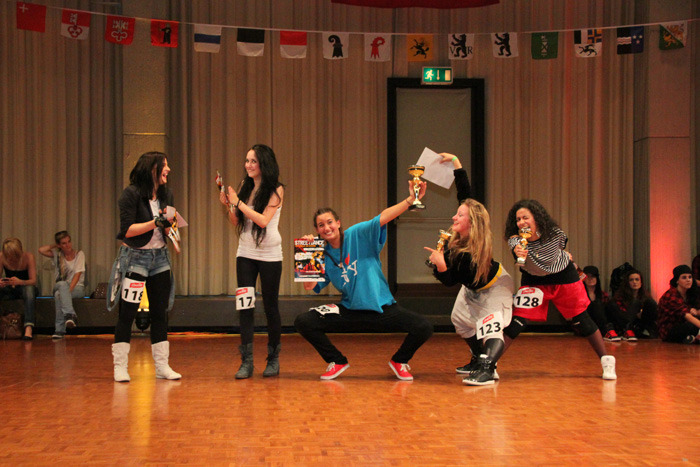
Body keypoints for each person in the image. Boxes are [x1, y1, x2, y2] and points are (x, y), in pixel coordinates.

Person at [294, 181, 433, 381]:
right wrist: (307, 252)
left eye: (330, 222)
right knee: (303, 321)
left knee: (424, 327)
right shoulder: (321, 255)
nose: (327, 228)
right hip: (350, 311)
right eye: (321, 225)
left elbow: (383, 217)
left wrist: (410, 200)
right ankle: (337, 361)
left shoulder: (357, 234)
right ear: (317, 230)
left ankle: (399, 361)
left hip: (382, 309)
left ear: (338, 223)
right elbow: (309, 286)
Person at [424, 153, 513, 386]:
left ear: (472, 222)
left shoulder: (472, 252)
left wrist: (441, 266)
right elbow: (465, 194)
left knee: (490, 327)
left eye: (460, 215)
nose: (454, 216)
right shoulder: (461, 238)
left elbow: (450, 280)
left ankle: (488, 369)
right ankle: (478, 359)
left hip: (495, 286)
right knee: (460, 321)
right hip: (472, 286)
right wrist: (455, 162)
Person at [502, 200, 617, 380]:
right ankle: (489, 364)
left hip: (563, 277)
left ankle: (607, 361)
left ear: (536, 218)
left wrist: (531, 247)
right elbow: (519, 253)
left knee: (581, 320)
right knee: (517, 321)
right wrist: (519, 251)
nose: (521, 222)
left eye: (525, 217)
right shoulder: (515, 239)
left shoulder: (555, 234)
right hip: (534, 280)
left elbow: (548, 260)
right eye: (518, 219)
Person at [108, 151, 181, 382]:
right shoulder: (130, 194)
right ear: (153, 169)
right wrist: (155, 222)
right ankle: (120, 366)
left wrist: (173, 232)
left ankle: (162, 366)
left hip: (160, 259)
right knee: (127, 313)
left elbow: (169, 226)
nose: (168, 169)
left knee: (160, 313)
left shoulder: (167, 194)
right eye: (164, 165)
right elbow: (127, 231)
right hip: (135, 258)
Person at [218, 144, 285, 379]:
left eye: (253, 161)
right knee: (245, 306)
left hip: (270, 255)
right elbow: (237, 221)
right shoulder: (244, 187)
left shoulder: (276, 189)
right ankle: (246, 362)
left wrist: (238, 203)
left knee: (270, 306)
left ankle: (273, 358)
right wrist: (229, 204)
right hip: (245, 253)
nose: (248, 165)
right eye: (247, 161)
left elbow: (263, 221)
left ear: (264, 164)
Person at [39, 231, 86, 339]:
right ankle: (70, 315)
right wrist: (54, 245)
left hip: (77, 287)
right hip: (60, 285)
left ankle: (59, 331)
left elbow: (77, 275)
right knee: (62, 284)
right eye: (64, 243)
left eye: (69, 241)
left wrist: (66, 293)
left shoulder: (79, 254)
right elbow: (41, 250)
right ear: (59, 245)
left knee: (58, 295)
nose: (68, 245)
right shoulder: (57, 255)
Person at [604, 268, 657, 341]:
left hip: (640, 325)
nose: (634, 282)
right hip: (625, 325)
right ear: (627, 283)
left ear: (641, 283)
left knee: (650, 303)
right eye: (631, 280)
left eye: (637, 280)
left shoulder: (646, 297)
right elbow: (620, 316)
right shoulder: (620, 298)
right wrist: (636, 314)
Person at [0, 238, 37, 340]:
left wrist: (20, 282)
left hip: (25, 287)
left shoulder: (28, 257)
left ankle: (28, 327)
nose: (12, 260)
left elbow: (33, 281)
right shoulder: (1, 257)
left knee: (29, 290)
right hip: (10, 288)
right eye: (9, 257)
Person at [657, 265, 700, 344]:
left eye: (690, 277)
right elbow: (687, 316)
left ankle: (690, 338)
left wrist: (697, 312)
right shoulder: (671, 295)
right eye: (684, 278)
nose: (688, 280)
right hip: (669, 330)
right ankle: (692, 338)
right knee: (691, 325)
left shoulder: (690, 293)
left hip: (683, 324)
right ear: (677, 281)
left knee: (694, 323)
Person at [582, 266, 610, 339]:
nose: (590, 279)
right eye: (588, 277)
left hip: (600, 325)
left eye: (593, 276)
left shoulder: (603, 295)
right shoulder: (579, 294)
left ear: (597, 278)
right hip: (585, 325)